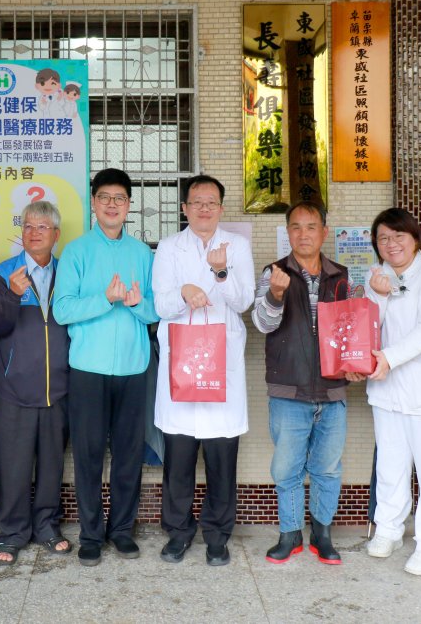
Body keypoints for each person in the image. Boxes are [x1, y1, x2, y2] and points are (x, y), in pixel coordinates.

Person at [52, 167, 159, 567]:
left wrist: (134, 304)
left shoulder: (142, 254)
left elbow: (155, 311)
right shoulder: (78, 252)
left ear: (129, 206)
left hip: (132, 369)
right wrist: (105, 298)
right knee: (89, 454)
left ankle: (122, 531)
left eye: (120, 198)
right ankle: (91, 534)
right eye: (105, 197)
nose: (112, 204)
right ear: (93, 203)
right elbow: (62, 310)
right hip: (88, 370)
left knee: (129, 454)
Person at [349, 208, 421, 577]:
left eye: (398, 236)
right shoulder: (375, 275)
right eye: (383, 238)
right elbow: (368, 324)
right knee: (391, 466)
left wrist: (388, 357)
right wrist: (379, 296)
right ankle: (388, 530)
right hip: (387, 391)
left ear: (415, 238)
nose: (391, 243)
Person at [152, 175, 254, 567]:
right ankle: (178, 533)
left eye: (212, 202)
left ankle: (217, 536)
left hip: (221, 367)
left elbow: (243, 300)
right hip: (181, 364)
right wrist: (182, 293)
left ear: (221, 208)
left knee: (221, 461)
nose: (204, 208)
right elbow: (159, 304)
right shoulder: (168, 248)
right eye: (196, 202)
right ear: (185, 209)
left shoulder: (238, 247)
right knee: (178, 461)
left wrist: (221, 274)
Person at [251, 201, 348, 566]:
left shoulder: (341, 276)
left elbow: (351, 329)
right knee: (287, 470)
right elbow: (262, 323)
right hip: (288, 392)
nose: (304, 234)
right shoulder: (273, 273)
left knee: (327, 469)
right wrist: (275, 295)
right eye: (296, 227)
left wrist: (354, 364)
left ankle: (322, 535)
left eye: (311, 227)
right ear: (287, 232)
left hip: (333, 390)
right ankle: (289, 535)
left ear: (324, 231)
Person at [0, 201, 72, 565]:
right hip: (14, 390)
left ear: (55, 234)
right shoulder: (6, 273)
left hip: (59, 389)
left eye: (41, 227)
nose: (33, 233)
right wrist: (11, 294)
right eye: (27, 227)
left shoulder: (69, 272)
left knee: (52, 464)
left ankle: (47, 526)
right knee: (14, 465)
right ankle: (12, 532)